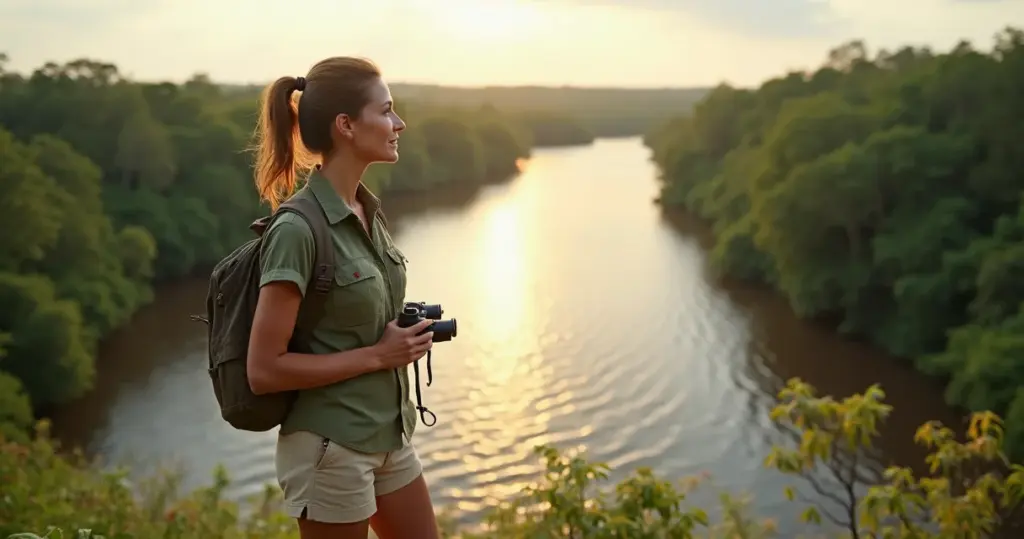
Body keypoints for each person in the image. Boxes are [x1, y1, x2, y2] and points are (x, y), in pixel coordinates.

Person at [245, 56, 440, 539]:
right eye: (387, 111)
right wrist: (378, 355)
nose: (400, 123)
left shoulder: (366, 211)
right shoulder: (297, 229)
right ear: (346, 125)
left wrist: (403, 337)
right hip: (331, 448)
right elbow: (263, 370)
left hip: (390, 437)